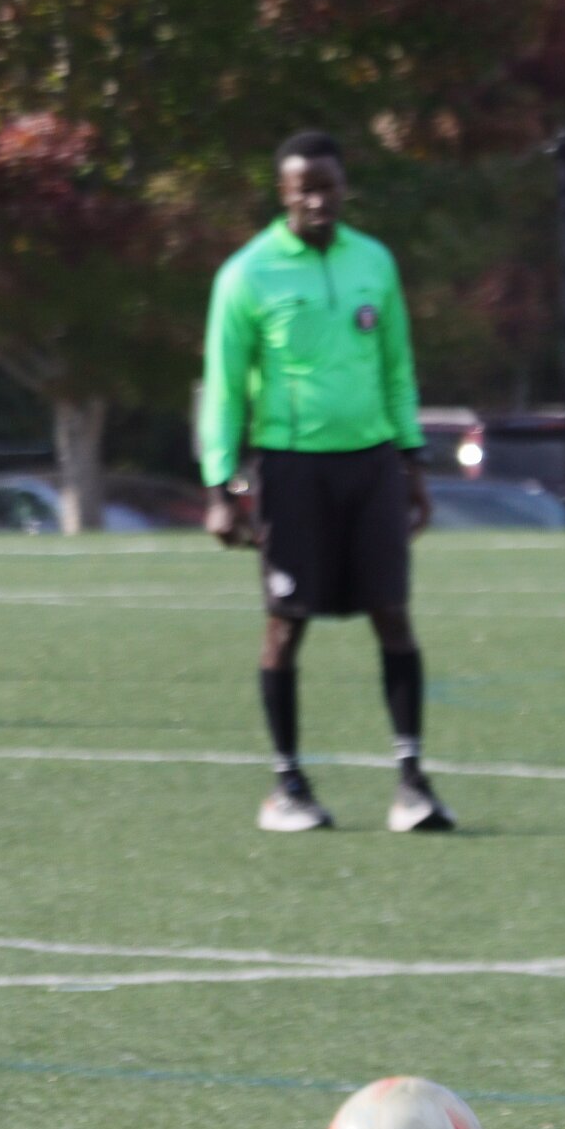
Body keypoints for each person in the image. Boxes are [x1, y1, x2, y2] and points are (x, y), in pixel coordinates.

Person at [199, 130, 452, 835]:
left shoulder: (374, 262)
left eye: (328, 187)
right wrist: (220, 489)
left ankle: (412, 783)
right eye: (303, 189)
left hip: (371, 465)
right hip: (291, 470)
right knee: (286, 625)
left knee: (392, 615)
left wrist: (412, 464)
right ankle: (287, 786)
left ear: (344, 188)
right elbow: (223, 388)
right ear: (282, 194)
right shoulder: (247, 275)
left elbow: (396, 368)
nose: (317, 200)